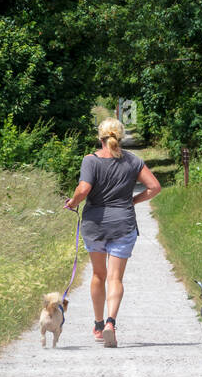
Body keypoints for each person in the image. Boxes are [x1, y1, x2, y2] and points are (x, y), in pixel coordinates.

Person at [64, 118, 161, 347]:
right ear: (121, 137)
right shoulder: (133, 161)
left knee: (99, 275)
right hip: (123, 224)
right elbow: (154, 187)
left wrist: (73, 202)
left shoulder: (91, 160)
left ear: (100, 137)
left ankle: (98, 326)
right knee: (115, 278)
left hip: (95, 225)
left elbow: (84, 188)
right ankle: (110, 323)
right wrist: (133, 201)